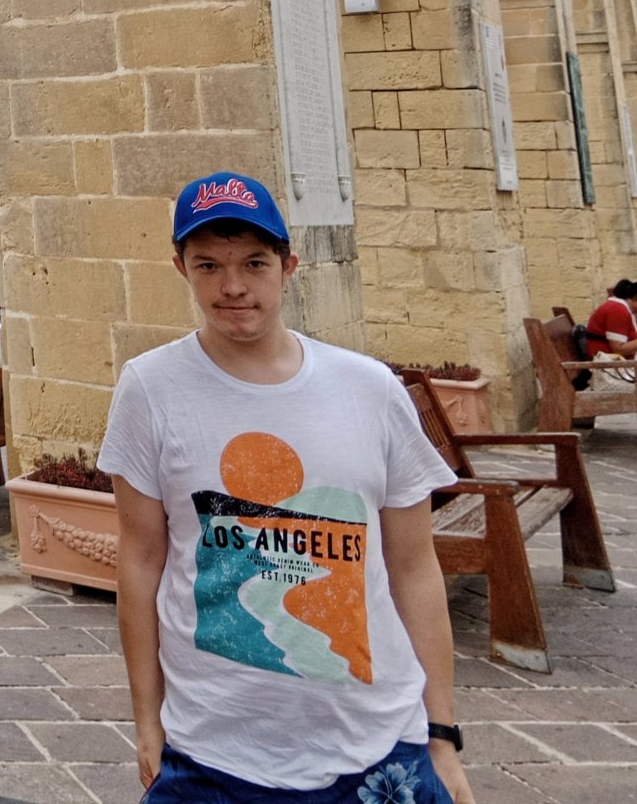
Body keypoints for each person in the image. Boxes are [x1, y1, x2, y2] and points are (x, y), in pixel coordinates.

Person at [98, 172, 474, 803]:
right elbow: (140, 561)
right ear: (181, 268)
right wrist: (146, 720)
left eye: (254, 263)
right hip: (210, 748)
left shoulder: (369, 390)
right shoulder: (150, 389)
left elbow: (414, 567)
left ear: (288, 266)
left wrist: (442, 737)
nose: (233, 286)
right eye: (209, 265)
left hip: (376, 745)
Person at [584, 279, 637, 358]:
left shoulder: (620, 307)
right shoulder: (617, 309)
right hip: (606, 361)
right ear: (635, 297)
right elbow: (618, 349)